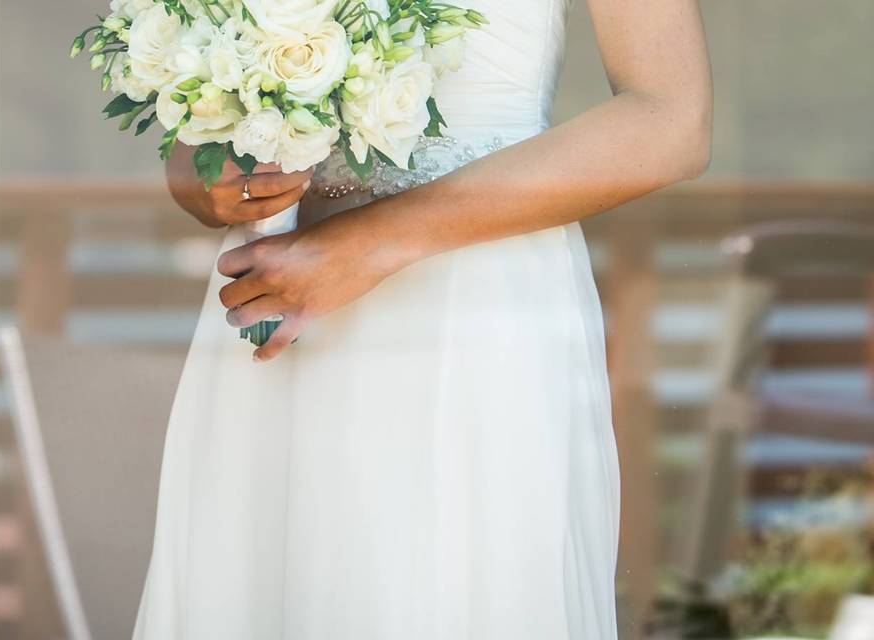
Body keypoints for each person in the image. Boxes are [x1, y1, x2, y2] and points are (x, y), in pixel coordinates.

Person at [134, 0, 712, 637]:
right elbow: (193, 143)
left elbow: (671, 120)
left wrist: (368, 242)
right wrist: (207, 175)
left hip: (472, 295)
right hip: (275, 301)